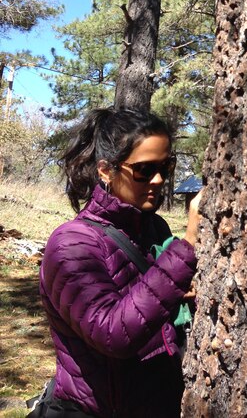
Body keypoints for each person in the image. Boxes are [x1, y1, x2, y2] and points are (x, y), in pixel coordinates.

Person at [38, 108, 200, 418]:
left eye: (166, 166)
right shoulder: (72, 243)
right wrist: (189, 244)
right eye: (143, 169)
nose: (159, 180)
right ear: (105, 171)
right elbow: (112, 333)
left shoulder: (155, 227)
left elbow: (151, 299)